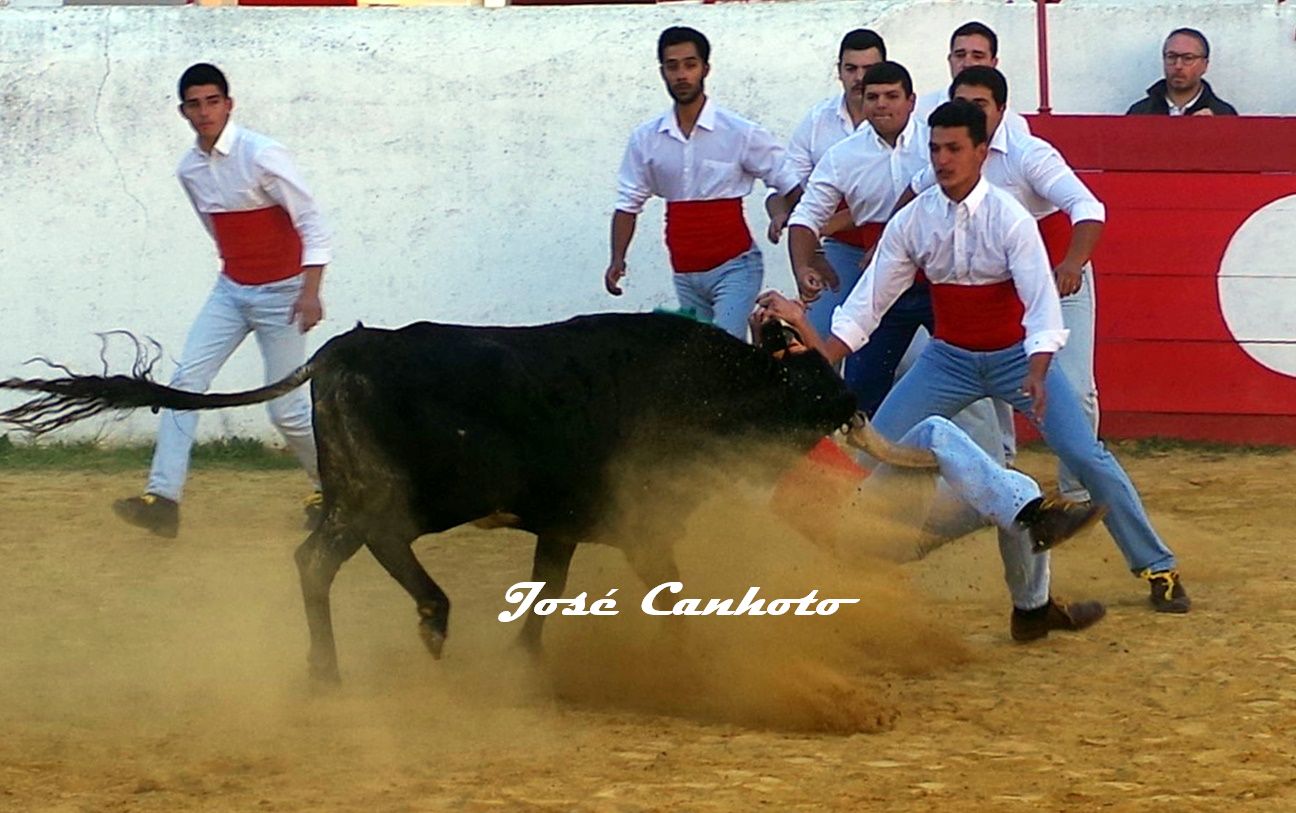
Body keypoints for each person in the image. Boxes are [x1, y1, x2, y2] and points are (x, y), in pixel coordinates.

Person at [756, 100, 1189, 616]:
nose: (942, 160)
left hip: (1015, 360)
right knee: (873, 450)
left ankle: (1157, 565)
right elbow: (869, 303)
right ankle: (836, 559)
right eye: (935, 149)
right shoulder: (913, 220)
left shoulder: (1011, 218)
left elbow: (1041, 304)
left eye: (954, 149)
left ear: (982, 152)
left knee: (1085, 455)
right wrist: (824, 349)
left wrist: (1038, 368)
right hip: (948, 361)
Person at [113, 63, 329, 538]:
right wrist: (239, 273)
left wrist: (310, 291)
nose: (204, 111)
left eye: (213, 101)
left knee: (286, 411)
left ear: (228, 104)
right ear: (183, 111)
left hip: (284, 295)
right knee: (184, 386)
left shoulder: (262, 154)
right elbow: (216, 231)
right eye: (195, 104)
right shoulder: (189, 169)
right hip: (231, 290)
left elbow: (311, 222)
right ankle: (162, 499)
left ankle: (332, 489)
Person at [908, 66, 1104, 508]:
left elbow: (1087, 206)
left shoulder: (1027, 153)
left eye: (980, 104)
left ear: (1001, 109)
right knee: (979, 391)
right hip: (992, 290)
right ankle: (1002, 484)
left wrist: (1073, 262)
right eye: (963, 103)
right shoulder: (950, 154)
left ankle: (1078, 491)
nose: (971, 112)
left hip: (1057, 278)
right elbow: (915, 192)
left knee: (1074, 388)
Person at [606, 27, 798, 341]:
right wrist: (617, 258)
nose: (681, 74)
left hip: (734, 265)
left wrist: (798, 230)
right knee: (702, 355)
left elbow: (788, 181)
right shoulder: (646, 139)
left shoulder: (738, 132)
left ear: (705, 69)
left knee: (723, 349)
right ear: (663, 72)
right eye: (673, 66)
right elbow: (628, 203)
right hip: (685, 271)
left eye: (690, 64)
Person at [782, 61, 931, 417]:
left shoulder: (936, 143)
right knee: (861, 390)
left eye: (892, 96)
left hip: (938, 279)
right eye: (873, 97)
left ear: (911, 101)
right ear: (862, 102)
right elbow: (806, 216)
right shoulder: (843, 155)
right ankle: (861, 454)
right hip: (880, 282)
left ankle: (995, 451)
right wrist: (802, 266)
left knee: (966, 380)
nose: (882, 104)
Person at [765, 27, 887, 246]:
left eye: (868, 69)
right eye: (851, 69)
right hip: (838, 243)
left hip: (893, 242)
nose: (859, 78)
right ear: (839, 71)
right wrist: (781, 212)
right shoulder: (817, 120)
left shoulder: (903, 120)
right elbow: (787, 180)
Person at [913, 21, 1030, 136]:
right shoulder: (919, 112)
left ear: (993, 63)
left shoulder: (1013, 124)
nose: (967, 63)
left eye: (977, 56)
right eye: (960, 55)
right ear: (950, 60)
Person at [1126, 28, 1237, 116]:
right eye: (1171, 57)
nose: (1178, 66)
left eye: (1188, 58)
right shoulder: (1140, 113)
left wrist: (1215, 130)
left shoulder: (1222, 114)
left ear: (1205, 65)